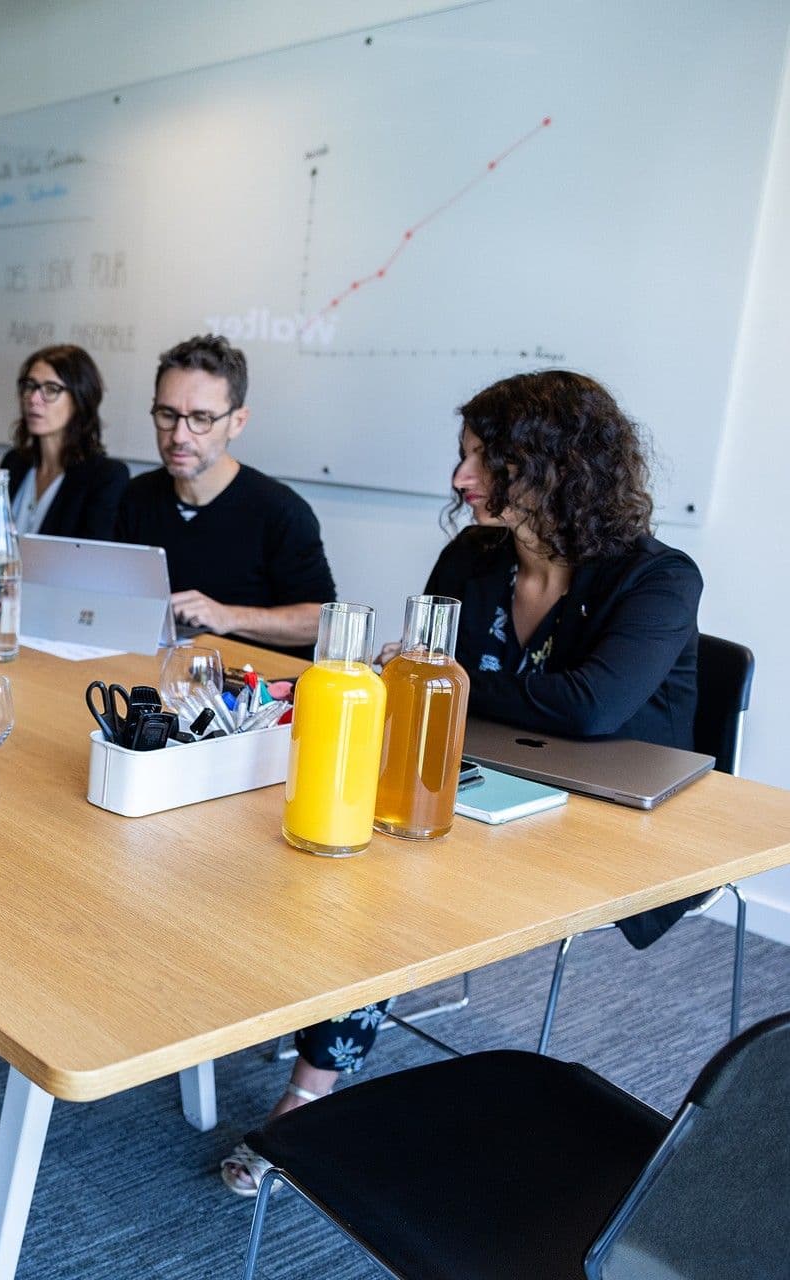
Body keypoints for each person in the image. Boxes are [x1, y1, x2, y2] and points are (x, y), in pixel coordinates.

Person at [220, 368, 704, 1197]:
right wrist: (432, 683)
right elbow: (426, 678)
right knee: (320, 830)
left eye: (485, 462)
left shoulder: (657, 577)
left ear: (556, 465)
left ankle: (303, 1100)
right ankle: (275, 1002)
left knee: (380, 888)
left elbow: (589, 710)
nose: (459, 481)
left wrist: (446, 682)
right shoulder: (475, 555)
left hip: (605, 828)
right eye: (463, 457)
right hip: (473, 780)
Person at [113, 335, 334, 656]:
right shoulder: (137, 495)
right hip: (151, 674)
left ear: (237, 422)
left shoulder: (280, 510)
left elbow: (321, 621)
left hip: (248, 690)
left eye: (201, 419)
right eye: (167, 414)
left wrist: (227, 616)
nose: (179, 436)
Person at [0, 344, 127, 539]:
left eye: (51, 389)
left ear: (79, 399)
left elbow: (88, 560)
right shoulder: (14, 462)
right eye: (30, 386)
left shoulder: (105, 477)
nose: (34, 398)